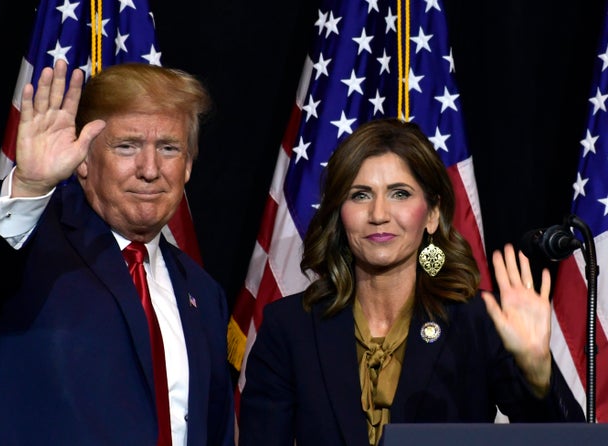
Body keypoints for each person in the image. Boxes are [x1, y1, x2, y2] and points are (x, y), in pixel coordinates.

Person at [0, 60, 234, 445]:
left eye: (169, 148)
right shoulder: (26, 242)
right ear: (84, 160)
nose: (150, 169)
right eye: (127, 146)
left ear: (189, 165)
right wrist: (28, 186)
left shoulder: (204, 295)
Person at [238, 119, 585, 446]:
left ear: (432, 214)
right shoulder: (289, 327)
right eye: (360, 194)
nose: (378, 214)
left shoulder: (478, 321)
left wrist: (539, 374)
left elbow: (564, 443)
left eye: (399, 193)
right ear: (339, 214)